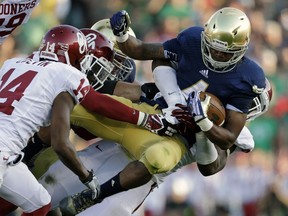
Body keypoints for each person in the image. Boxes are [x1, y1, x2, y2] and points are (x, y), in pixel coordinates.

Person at [58, 7, 267, 214]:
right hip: (153, 114)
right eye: (213, 47)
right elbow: (150, 53)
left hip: (174, 144)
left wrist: (203, 124)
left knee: (119, 200)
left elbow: (211, 165)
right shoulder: (191, 43)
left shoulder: (241, 112)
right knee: (71, 111)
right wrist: (122, 35)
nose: (216, 54)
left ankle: (93, 196)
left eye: (224, 52)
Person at [0, 24, 176, 216]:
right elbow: (96, 105)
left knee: (38, 202)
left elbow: (110, 92)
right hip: (13, 151)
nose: (109, 72)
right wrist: (144, 119)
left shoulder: (13, 63)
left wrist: (146, 91)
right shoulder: (66, 74)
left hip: (13, 150)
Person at [31, 80, 272, 216]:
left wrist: (204, 128)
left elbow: (211, 167)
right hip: (114, 145)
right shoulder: (194, 86)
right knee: (47, 186)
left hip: (141, 176)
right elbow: (138, 90)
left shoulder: (234, 135)